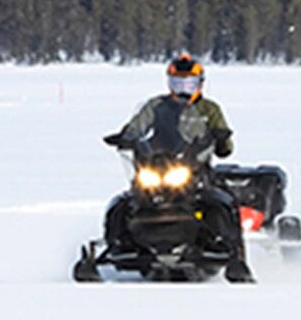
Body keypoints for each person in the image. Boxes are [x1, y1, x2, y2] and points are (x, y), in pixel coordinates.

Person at [111, 53, 286, 236]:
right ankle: (115, 243)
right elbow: (137, 126)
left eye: (189, 84)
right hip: (157, 166)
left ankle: (229, 246)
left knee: (217, 205)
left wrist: (220, 138)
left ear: (200, 84)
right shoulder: (156, 106)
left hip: (193, 169)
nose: (183, 90)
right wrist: (126, 137)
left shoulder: (209, 109)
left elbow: (225, 148)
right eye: (178, 84)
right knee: (124, 205)